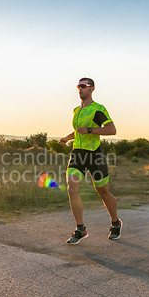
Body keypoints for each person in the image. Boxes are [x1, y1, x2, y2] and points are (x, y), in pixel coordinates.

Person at [59, 78, 122, 244]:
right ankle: (80, 229)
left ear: (91, 89)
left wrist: (89, 130)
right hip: (78, 154)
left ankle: (115, 223)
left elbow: (111, 129)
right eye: (78, 86)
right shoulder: (76, 110)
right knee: (72, 188)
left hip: (95, 155)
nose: (80, 89)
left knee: (103, 192)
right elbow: (78, 131)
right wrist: (67, 138)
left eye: (83, 86)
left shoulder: (97, 109)